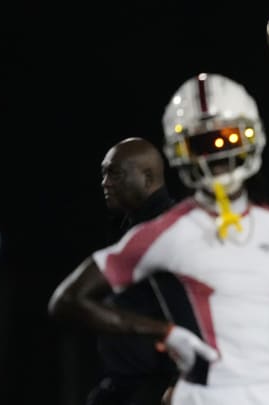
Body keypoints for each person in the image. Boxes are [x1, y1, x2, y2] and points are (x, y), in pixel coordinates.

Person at [49, 72, 269, 405]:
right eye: (203, 143)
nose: (217, 154)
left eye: (228, 138)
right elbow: (68, 301)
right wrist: (164, 333)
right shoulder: (165, 232)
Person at [88, 137, 179, 405]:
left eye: (114, 173)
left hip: (160, 386)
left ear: (147, 176)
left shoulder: (171, 229)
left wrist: (179, 382)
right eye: (104, 173)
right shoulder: (130, 227)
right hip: (129, 385)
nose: (105, 182)